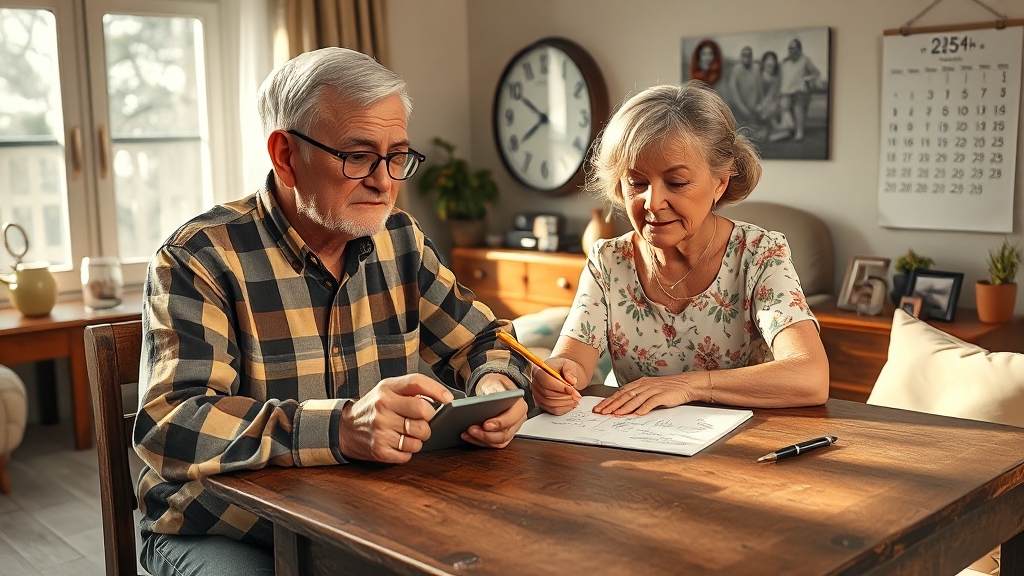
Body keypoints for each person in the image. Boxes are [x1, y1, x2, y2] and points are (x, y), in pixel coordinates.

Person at [133, 47, 531, 576]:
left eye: (397, 156)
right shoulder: (199, 257)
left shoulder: (400, 240)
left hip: (370, 515)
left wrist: (495, 389)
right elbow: (171, 423)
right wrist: (341, 428)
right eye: (359, 155)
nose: (385, 182)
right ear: (285, 155)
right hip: (223, 526)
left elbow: (488, 342)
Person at [530, 82, 829, 417]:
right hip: (637, 445)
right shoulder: (608, 261)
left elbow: (811, 375)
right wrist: (556, 375)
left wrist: (688, 385)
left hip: (745, 450)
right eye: (637, 182)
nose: (652, 203)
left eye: (676, 183)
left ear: (720, 182)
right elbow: (573, 362)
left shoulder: (759, 253)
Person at [778, 38, 821, 142]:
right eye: (790, 48)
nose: (791, 50)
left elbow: (816, 73)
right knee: (784, 107)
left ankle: (799, 131)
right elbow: (781, 78)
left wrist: (805, 79)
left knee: (798, 107)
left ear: (799, 49)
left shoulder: (805, 60)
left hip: (800, 92)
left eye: (794, 48)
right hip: (786, 92)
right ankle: (787, 131)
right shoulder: (784, 63)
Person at [727, 46, 762, 127]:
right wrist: (743, 109)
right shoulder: (735, 69)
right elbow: (734, 93)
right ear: (741, 57)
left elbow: (758, 89)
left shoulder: (756, 69)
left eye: (749, 55)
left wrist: (756, 105)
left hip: (753, 106)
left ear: (751, 57)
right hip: (738, 106)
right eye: (744, 55)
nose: (746, 57)